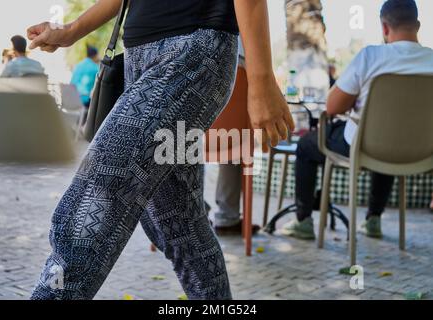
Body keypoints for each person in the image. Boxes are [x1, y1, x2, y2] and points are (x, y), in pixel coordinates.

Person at [26, 0, 294, 300]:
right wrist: (71, 30)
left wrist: (262, 79)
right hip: (139, 58)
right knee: (179, 225)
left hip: (192, 50)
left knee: (93, 201)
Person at [282, 0, 433, 240]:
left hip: (362, 146)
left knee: (307, 145)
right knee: (392, 136)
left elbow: (332, 107)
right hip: (419, 153)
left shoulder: (371, 56)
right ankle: (374, 219)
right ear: (417, 24)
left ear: (384, 27)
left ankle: (304, 221)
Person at [214, 41, 261, 236]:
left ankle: (192, 211)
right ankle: (227, 216)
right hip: (232, 137)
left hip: (188, 137)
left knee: (177, 146)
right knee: (237, 143)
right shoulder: (249, 55)